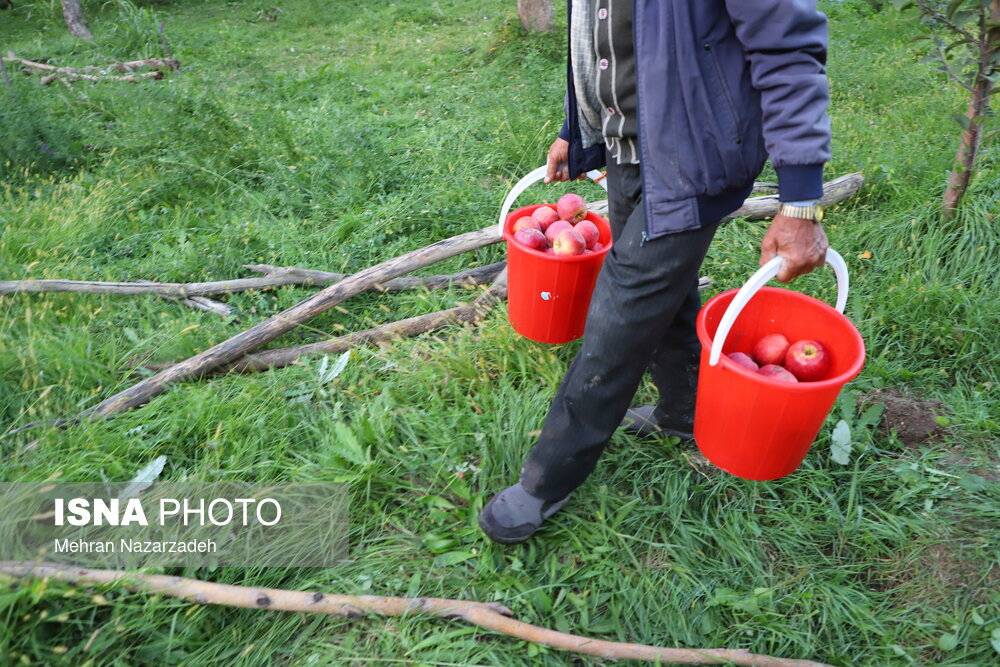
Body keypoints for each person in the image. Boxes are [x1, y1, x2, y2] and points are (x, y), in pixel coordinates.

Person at [478, 0, 832, 545]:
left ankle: (548, 477)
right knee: (663, 288)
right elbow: (599, 33)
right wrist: (577, 129)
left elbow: (788, 47)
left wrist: (802, 201)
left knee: (624, 304)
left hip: (696, 157)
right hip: (629, 149)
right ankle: (683, 411)